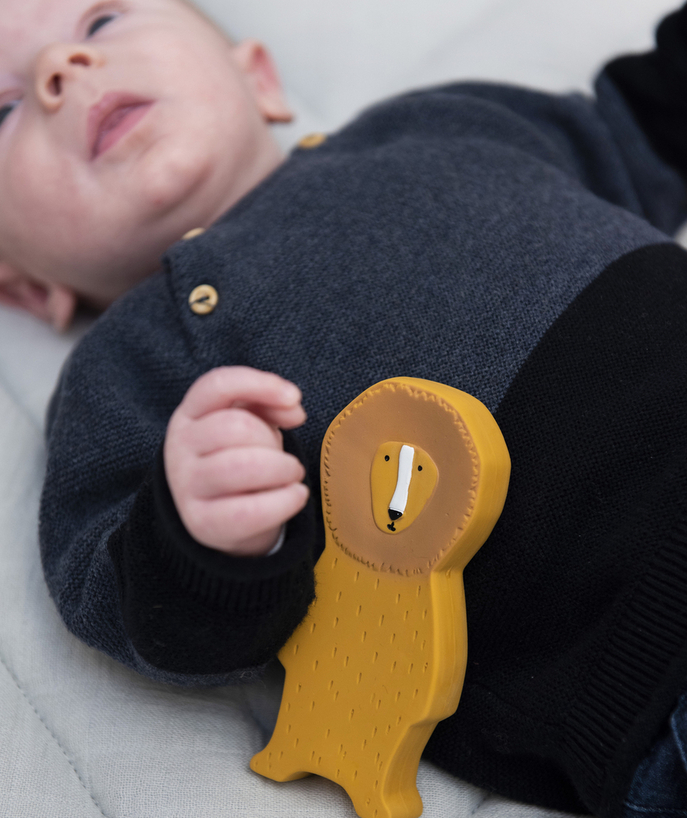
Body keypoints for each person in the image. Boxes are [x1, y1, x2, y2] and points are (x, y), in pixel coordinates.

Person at [1, 0, 686, 815]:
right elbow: (136, 609)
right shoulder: (122, 372)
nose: (60, 73)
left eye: (100, 21)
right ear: (23, 283)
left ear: (258, 78)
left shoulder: (441, 122)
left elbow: (640, 122)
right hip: (638, 664)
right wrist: (203, 539)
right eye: (3, 108)